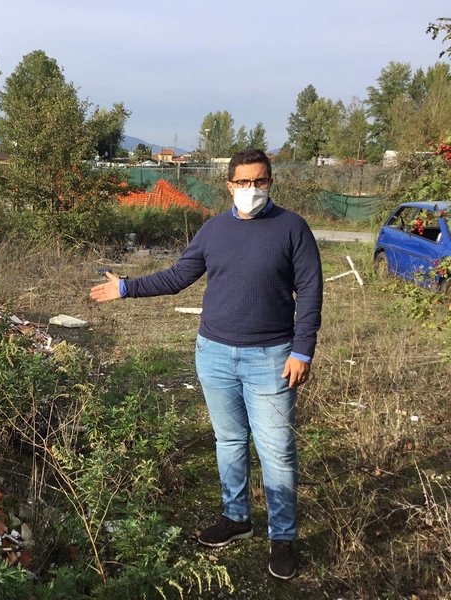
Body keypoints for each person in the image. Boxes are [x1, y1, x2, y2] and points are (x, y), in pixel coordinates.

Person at [90, 148, 322, 580]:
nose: (252, 189)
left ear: (270, 182)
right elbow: (179, 276)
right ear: (229, 185)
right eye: (243, 182)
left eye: (260, 181)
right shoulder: (213, 230)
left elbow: (310, 290)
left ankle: (283, 538)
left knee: (276, 451)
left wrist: (302, 350)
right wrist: (126, 287)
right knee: (229, 441)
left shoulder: (292, 228)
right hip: (214, 354)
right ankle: (236, 519)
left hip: (272, 358)